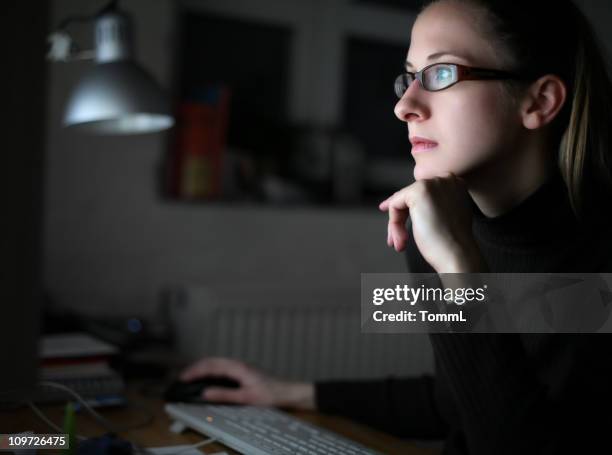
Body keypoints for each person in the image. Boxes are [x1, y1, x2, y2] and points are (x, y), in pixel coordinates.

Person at [180, 0, 612, 453]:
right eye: (408, 78)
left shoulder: (590, 259)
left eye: (441, 74)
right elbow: (459, 399)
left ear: (539, 101)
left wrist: (460, 268)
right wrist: (285, 393)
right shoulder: (436, 233)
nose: (404, 106)